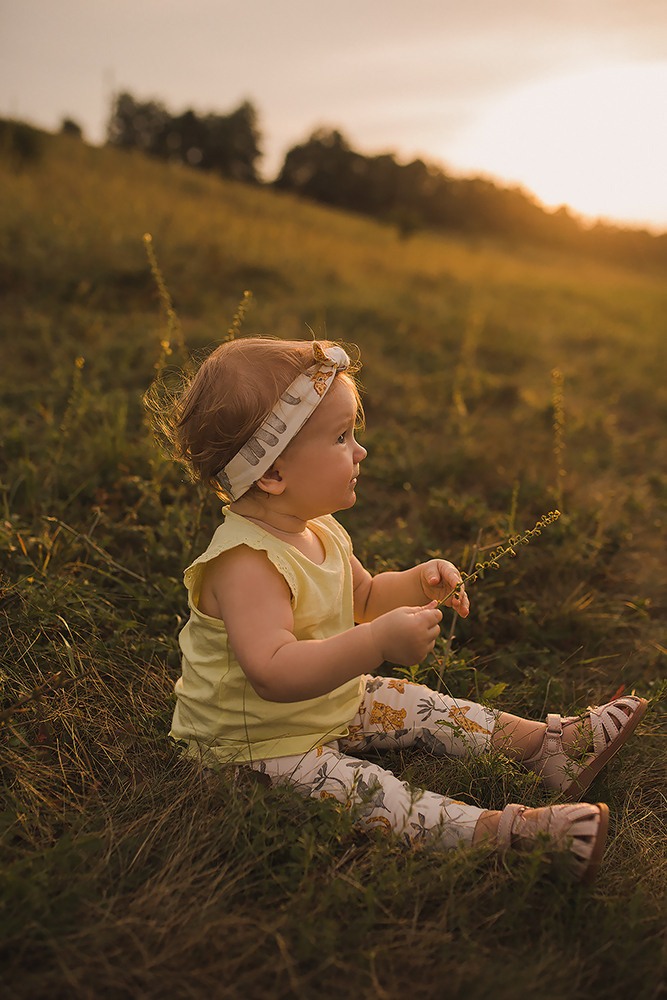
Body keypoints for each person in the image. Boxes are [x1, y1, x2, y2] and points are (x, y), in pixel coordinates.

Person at [166, 337, 647, 883]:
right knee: (369, 791)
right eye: (341, 437)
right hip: (250, 749)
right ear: (273, 475)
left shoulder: (318, 530)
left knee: (419, 703)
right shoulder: (245, 564)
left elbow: (366, 599)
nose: (360, 451)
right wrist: (374, 646)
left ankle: (550, 747)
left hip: (325, 704)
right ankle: (510, 838)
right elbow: (273, 672)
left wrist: (419, 582)